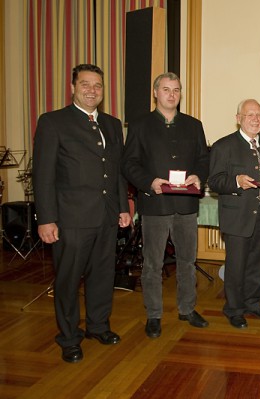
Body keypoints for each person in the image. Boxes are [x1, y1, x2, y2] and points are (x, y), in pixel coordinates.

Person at [32, 64, 132, 363]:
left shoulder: (112, 124)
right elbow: (43, 174)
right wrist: (46, 218)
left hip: (106, 215)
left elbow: (115, 170)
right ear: (73, 87)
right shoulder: (53, 122)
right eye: (86, 84)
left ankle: (98, 326)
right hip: (70, 218)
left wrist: (123, 207)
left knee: (102, 275)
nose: (92, 90)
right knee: (68, 279)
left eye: (98, 85)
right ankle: (69, 336)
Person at [121, 72, 210, 339]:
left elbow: (204, 159)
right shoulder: (139, 125)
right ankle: (154, 315)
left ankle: (187, 309)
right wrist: (149, 182)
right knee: (152, 263)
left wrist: (199, 175)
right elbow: (129, 164)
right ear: (155, 93)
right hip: (155, 204)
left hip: (186, 204)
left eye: (177, 90)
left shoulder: (194, 125)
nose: (172, 94)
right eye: (166, 89)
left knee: (187, 261)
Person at [208, 99, 260, 329]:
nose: (255, 119)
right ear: (238, 118)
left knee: (259, 264)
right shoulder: (224, 146)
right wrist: (236, 181)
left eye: (258, 115)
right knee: (236, 265)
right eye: (249, 114)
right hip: (238, 216)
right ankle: (233, 309)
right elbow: (214, 181)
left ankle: (253, 303)